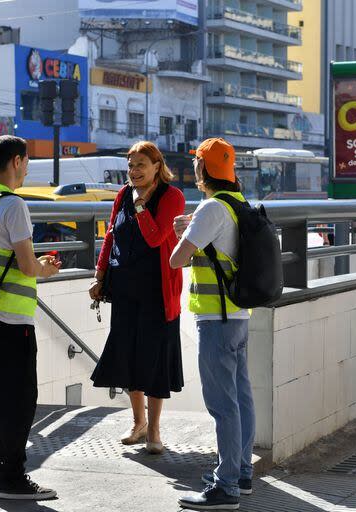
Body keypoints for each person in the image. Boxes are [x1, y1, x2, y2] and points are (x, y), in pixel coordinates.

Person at [0, 135, 61, 501]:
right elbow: (25, 264)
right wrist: (46, 269)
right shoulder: (13, 205)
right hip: (11, 318)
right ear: (18, 161)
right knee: (19, 399)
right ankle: (13, 478)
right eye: (26, 161)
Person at [170, 138, 255, 511]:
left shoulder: (211, 209)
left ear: (204, 170)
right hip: (238, 315)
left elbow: (177, 260)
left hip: (215, 318)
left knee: (222, 404)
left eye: (197, 166)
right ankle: (240, 473)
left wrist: (183, 234)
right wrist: (193, 230)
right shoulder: (238, 204)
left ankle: (226, 488)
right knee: (241, 397)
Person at [89, 141, 185, 454]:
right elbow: (110, 237)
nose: (134, 172)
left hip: (158, 290)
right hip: (125, 289)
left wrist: (142, 206)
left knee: (154, 360)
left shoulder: (172, 197)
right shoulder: (122, 195)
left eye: (141, 165)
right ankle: (138, 422)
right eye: (131, 166)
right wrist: (100, 276)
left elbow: (156, 237)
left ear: (158, 166)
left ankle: (155, 429)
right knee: (129, 356)